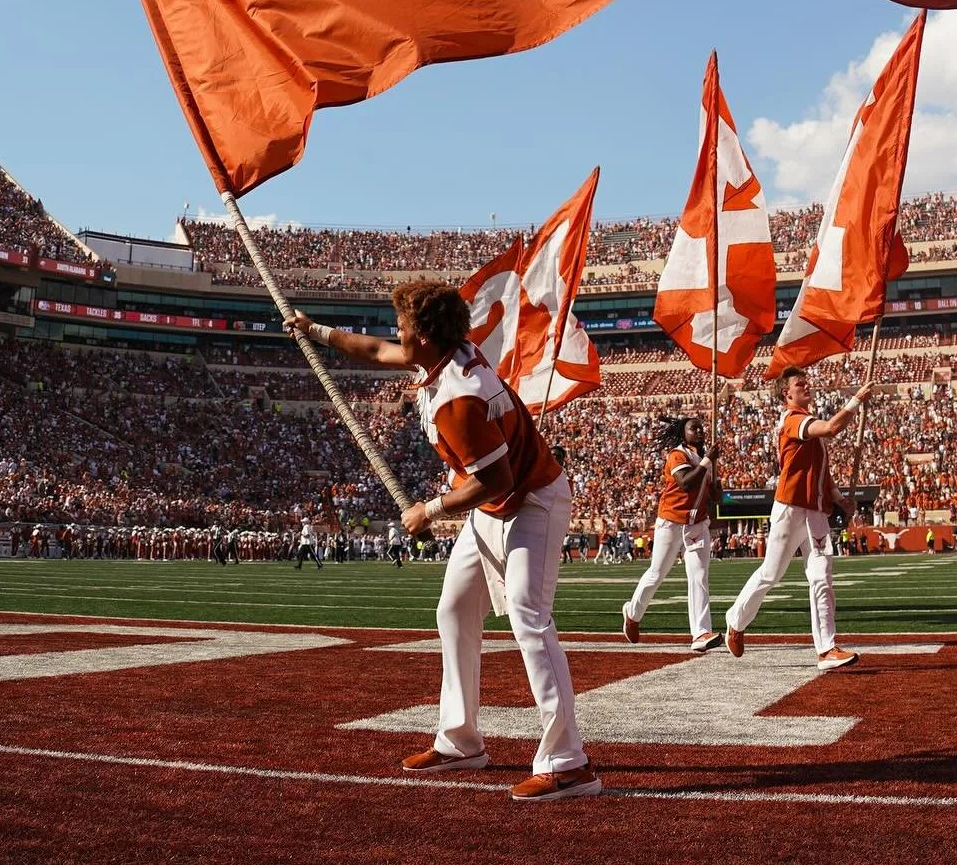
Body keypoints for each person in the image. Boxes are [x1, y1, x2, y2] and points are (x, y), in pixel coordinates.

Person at [295, 280, 600, 801]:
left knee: (529, 618)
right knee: (454, 610)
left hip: (531, 500)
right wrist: (314, 330)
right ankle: (461, 741)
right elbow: (374, 351)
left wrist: (429, 510)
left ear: (424, 337)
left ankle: (568, 762)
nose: (395, 334)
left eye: (402, 327)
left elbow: (498, 480)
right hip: (493, 505)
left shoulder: (459, 396)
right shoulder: (439, 358)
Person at [724, 370, 884, 667]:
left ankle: (826, 648)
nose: (806, 386)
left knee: (822, 576)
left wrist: (839, 499)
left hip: (815, 510)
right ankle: (735, 619)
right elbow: (832, 428)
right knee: (771, 573)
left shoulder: (809, 424)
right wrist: (856, 401)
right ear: (787, 394)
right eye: (800, 384)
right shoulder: (792, 419)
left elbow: (823, 473)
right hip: (790, 505)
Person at [621, 414, 719, 652]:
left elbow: (715, 498)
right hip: (672, 522)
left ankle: (700, 633)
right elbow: (685, 483)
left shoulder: (706, 458)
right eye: (693, 428)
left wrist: (716, 479)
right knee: (657, 573)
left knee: (699, 576)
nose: (699, 431)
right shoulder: (678, 454)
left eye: (701, 428)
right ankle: (633, 613)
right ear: (683, 434)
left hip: (697, 524)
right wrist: (708, 462)